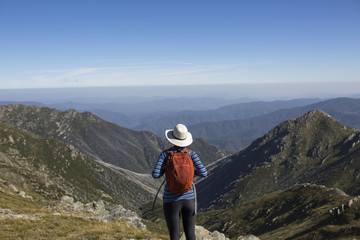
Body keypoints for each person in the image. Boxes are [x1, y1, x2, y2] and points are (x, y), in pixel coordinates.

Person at [152, 123, 207, 240]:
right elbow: (203, 172)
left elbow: (155, 174)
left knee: (174, 234)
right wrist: (192, 172)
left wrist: (168, 171)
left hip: (171, 200)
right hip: (189, 199)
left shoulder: (165, 155)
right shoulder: (191, 154)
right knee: (191, 234)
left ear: (172, 139)